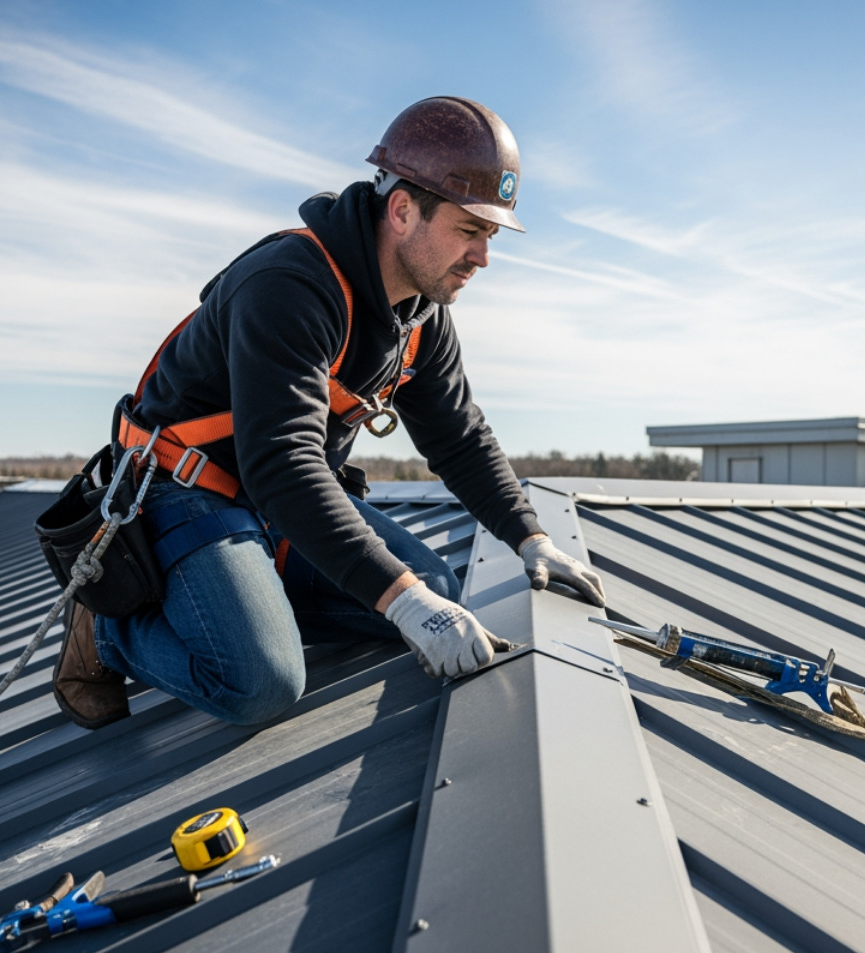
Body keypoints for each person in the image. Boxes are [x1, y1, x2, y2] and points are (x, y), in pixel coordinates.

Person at [52, 96, 604, 730]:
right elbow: (283, 466)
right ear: (402, 210)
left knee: (438, 591)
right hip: (187, 489)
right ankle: (112, 632)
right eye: (470, 231)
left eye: (491, 236)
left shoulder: (420, 316)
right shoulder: (288, 286)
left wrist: (530, 537)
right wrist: (403, 603)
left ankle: (245, 593)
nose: (484, 257)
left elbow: (458, 435)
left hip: (272, 501)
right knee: (262, 683)